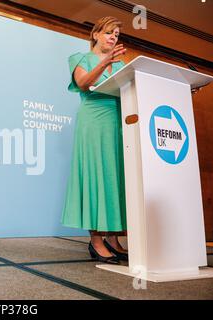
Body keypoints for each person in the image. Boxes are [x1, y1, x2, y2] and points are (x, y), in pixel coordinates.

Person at [62, 17, 129, 264]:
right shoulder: (80, 58)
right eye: (109, 32)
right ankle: (96, 240)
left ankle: (113, 238)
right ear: (95, 35)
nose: (113, 37)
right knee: (96, 176)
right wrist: (105, 63)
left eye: (117, 34)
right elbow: (83, 83)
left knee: (114, 179)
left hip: (117, 125)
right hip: (93, 123)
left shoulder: (122, 63)